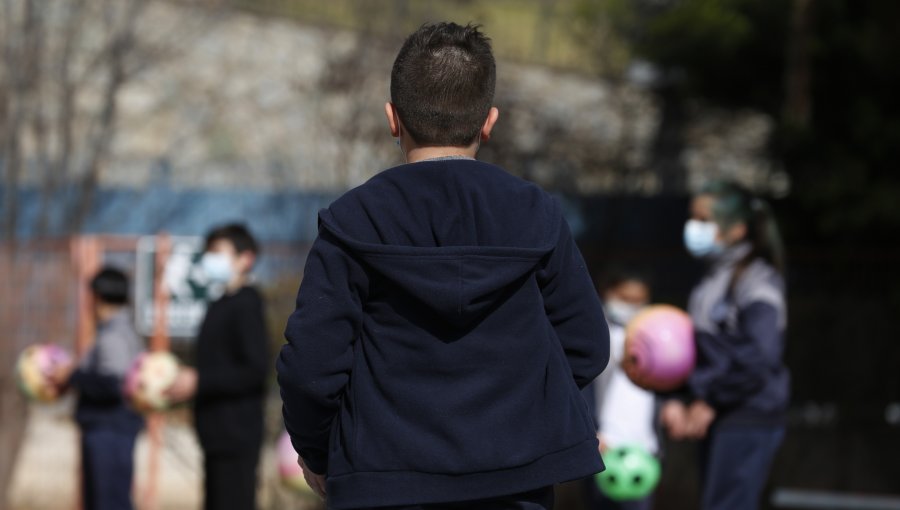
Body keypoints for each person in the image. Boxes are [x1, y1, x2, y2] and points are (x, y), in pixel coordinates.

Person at [277, 22, 610, 510]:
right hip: (517, 481)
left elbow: (311, 365)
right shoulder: (536, 213)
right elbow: (586, 344)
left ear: (393, 119)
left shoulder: (354, 219)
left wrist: (319, 452)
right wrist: (523, 420)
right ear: (489, 122)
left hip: (382, 482)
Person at [661, 181, 789, 510]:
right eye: (693, 218)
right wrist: (678, 397)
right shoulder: (712, 278)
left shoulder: (757, 282)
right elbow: (696, 354)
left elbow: (760, 358)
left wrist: (712, 400)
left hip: (748, 414)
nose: (694, 228)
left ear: (737, 230)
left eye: (704, 220)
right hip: (722, 413)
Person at [166, 224, 270, 510]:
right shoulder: (220, 303)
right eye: (208, 252)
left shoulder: (247, 303)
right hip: (215, 433)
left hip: (236, 432)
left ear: (245, 258)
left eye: (218, 252)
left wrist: (199, 381)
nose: (210, 259)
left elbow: (254, 369)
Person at [51, 267, 144, 510]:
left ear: (97, 296)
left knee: (109, 502)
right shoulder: (119, 331)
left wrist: (72, 375)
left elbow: (112, 384)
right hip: (111, 428)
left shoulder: (114, 335)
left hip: (109, 430)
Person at [582, 271, 657, 510]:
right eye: (625, 298)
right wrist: (589, 430)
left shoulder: (655, 336)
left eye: (638, 301)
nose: (631, 306)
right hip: (604, 446)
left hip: (644, 449)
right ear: (608, 293)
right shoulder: (594, 334)